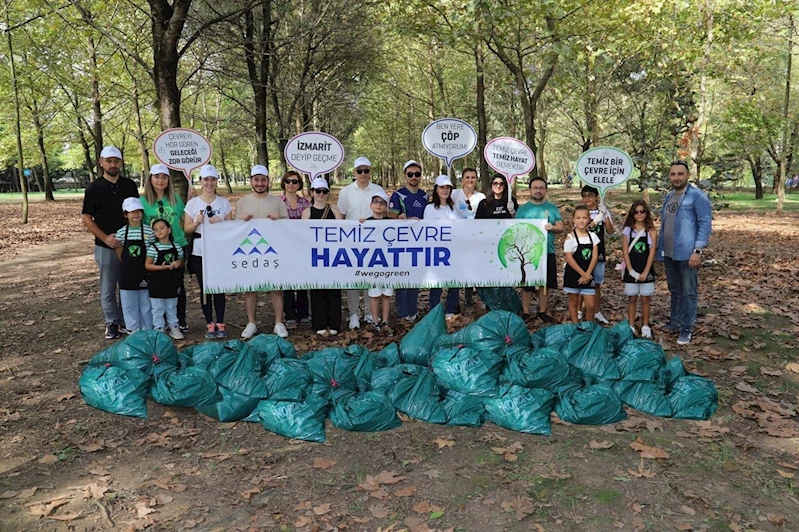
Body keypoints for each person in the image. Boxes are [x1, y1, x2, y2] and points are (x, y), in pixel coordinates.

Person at [81, 146, 140, 339]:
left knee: (129, 282)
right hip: (105, 244)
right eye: (109, 161)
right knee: (108, 285)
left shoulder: (129, 185)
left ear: (121, 163)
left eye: (116, 161)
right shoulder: (94, 188)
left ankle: (127, 320)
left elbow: (136, 213)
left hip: (130, 243)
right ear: (101, 162)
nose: (112, 164)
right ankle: (111, 322)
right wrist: (105, 237)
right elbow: (87, 217)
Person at [657, 161, 712, 345]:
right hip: (670, 252)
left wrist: (697, 250)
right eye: (673, 174)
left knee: (688, 291)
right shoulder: (669, 196)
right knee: (674, 289)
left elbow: (705, 224)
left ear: (687, 176)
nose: (676, 177)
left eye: (680, 174)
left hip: (688, 253)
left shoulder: (697, 196)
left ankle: (686, 328)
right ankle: (675, 321)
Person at [235, 165, 290, 339]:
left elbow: (287, 225)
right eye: (256, 180)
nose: (260, 183)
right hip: (250, 251)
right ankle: (251, 323)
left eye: (263, 180)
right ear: (251, 181)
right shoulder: (242, 202)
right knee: (251, 288)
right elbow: (234, 229)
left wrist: (278, 219)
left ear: (268, 181)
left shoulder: (278, 202)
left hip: (272, 251)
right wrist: (242, 221)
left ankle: (278, 323)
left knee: (276, 288)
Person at [183, 164, 233, 339]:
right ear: (201, 181)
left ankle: (220, 321)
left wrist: (222, 222)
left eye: (212, 179)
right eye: (206, 179)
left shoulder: (224, 203)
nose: (209, 183)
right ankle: (209, 323)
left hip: (218, 250)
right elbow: (187, 228)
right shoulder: (193, 203)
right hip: (200, 250)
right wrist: (196, 222)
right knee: (205, 287)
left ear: (216, 181)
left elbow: (231, 228)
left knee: (218, 286)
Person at [337, 156, 386, 329]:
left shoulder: (378, 189)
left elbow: (385, 212)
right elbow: (341, 216)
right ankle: (354, 313)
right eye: (360, 171)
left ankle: (368, 312)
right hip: (353, 240)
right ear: (354, 172)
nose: (363, 174)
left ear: (370, 172)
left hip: (374, 241)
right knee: (353, 278)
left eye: (366, 170)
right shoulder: (346, 192)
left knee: (370, 277)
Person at [141, 163, 190, 332]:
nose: (160, 180)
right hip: (155, 249)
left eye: (164, 177)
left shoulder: (176, 199)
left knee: (177, 285)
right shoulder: (143, 201)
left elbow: (186, 218)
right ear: (150, 179)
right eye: (157, 177)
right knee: (157, 286)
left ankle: (178, 320)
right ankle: (159, 323)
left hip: (176, 246)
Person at [515, 176, 564, 322]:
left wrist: (553, 227)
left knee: (545, 284)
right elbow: (516, 229)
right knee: (527, 284)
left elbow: (561, 227)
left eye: (541, 188)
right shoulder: (523, 210)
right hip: (527, 252)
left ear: (545, 190)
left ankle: (542, 311)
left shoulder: (552, 208)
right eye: (535, 188)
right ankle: (525, 311)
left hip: (547, 251)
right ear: (530, 190)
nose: (538, 190)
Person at [301, 178, 343, 336]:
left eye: (324, 191)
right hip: (315, 256)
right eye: (317, 191)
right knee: (317, 290)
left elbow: (342, 232)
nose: (320, 194)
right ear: (312, 192)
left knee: (333, 289)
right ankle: (319, 323)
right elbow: (303, 235)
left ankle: (334, 323)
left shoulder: (334, 210)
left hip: (333, 255)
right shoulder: (307, 212)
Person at [389, 160, 428, 323]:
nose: (414, 177)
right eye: (410, 174)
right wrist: (400, 217)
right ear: (405, 175)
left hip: (419, 242)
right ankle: (402, 311)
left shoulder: (424, 195)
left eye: (417, 174)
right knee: (403, 276)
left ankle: (413, 310)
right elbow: (390, 214)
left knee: (415, 276)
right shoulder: (398, 195)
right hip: (401, 242)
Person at [424, 175, 461, 320]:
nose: (445, 190)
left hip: (454, 251)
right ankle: (435, 312)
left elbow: (462, 226)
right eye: (442, 187)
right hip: (437, 252)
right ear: (436, 189)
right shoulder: (430, 208)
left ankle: (450, 310)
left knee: (454, 282)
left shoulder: (453, 208)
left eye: (447, 187)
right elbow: (427, 230)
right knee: (437, 284)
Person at [115, 197, 155, 332]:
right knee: (128, 302)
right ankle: (132, 329)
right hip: (127, 272)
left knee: (146, 302)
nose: (136, 214)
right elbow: (119, 249)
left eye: (138, 211)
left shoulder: (149, 231)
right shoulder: (121, 232)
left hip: (145, 271)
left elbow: (152, 250)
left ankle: (147, 328)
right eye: (132, 211)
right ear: (126, 214)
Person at [578, 185, 614, 324]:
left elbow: (610, 231)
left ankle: (597, 310)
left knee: (597, 283)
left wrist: (604, 215)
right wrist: (597, 218)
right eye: (584, 195)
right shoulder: (581, 212)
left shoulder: (603, 211)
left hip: (599, 251)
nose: (587, 198)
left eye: (590, 195)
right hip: (583, 252)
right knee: (583, 280)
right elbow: (584, 229)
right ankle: (581, 310)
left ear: (596, 197)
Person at [621, 200, 657, 338]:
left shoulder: (651, 230)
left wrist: (645, 272)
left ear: (646, 213)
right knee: (632, 298)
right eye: (636, 212)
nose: (639, 214)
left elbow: (652, 251)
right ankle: (630, 325)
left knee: (646, 298)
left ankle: (645, 325)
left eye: (642, 211)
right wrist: (631, 271)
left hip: (646, 269)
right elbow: (625, 251)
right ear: (632, 214)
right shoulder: (627, 231)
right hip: (632, 269)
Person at [451, 167, 486, 307]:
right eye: (467, 177)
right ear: (462, 180)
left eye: (473, 177)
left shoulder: (481, 197)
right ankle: (454, 301)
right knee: (458, 267)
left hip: (475, 238)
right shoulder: (454, 194)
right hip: (457, 237)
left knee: (473, 266)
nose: (470, 180)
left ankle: (469, 297)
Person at [280, 170, 311, 327]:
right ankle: (290, 314)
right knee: (287, 281)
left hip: (302, 246)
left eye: (295, 181)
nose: (291, 184)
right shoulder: (277, 202)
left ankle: (304, 313)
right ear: (283, 183)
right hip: (283, 246)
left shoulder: (306, 203)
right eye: (288, 181)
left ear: (299, 184)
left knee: (302, 280)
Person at [145, 218, 185, 339]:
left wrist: (178, 262)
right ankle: (159, 329)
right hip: (157, 282)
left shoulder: (176, 247)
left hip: (172, 282)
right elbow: (147, 265)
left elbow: (181, 261)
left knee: (171, 306)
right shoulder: (153, 248)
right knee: (157, 308)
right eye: (156, 230)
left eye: (162, 228)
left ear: (169, 230)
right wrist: (160, 268)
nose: (159, 231)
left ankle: (174, 327)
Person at [364, 190, 393, 334]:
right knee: (374, 295)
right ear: (371, 205)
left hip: (389, 264)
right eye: (376, 202)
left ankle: (385, 321)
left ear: (386, 206)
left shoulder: (391, 223)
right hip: (373, 264)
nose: (379, 205)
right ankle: (375, 321)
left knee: (387, 295)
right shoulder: (366, 222)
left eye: (382, 203)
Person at [563, 205, 599, 323]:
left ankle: (589, 326)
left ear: (589, 219)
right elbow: (569, 258)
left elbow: (594, 257)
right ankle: (575, 325)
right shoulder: (570, 238)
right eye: (578, 218)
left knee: (591, 305)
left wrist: (587, 274)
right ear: (573, 220)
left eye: (584, 217)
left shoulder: (593, 237)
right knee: (573, 301)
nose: (581, 220)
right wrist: (582, 274)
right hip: (573, 274)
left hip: (588, 275)